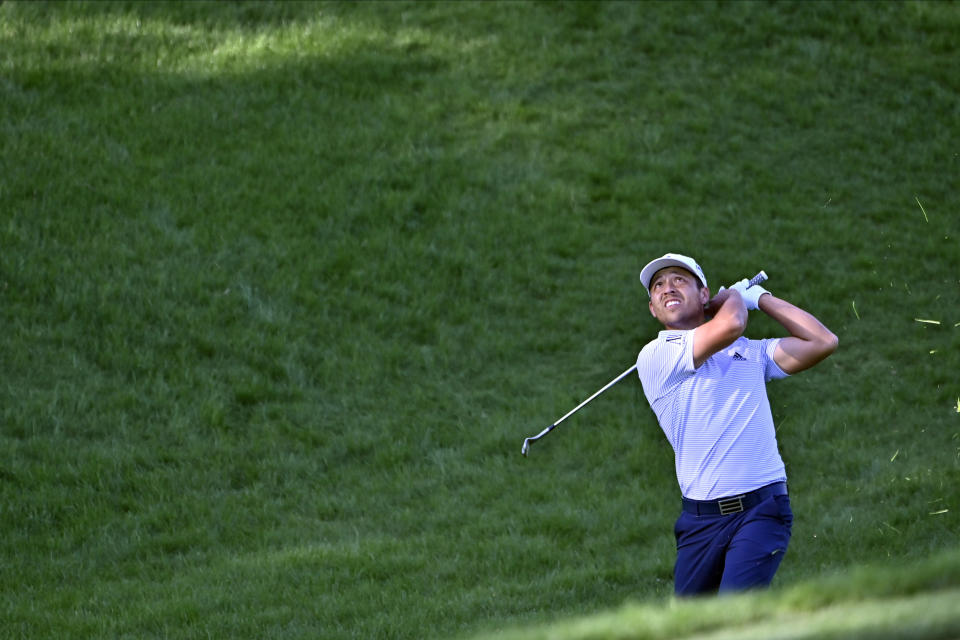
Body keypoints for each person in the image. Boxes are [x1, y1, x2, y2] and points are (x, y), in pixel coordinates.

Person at [636, 253, 838, 596]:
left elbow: (822, 341)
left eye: (679, 280)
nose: (667, 287)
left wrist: (760, 298)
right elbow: (730, 324)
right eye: (658, 286)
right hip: (700, 523)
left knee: (735, 619)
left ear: (704, 295)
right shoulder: (656, 355)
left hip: (761, 510)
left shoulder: (750, 353)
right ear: (654, 310)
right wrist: (733, 299)